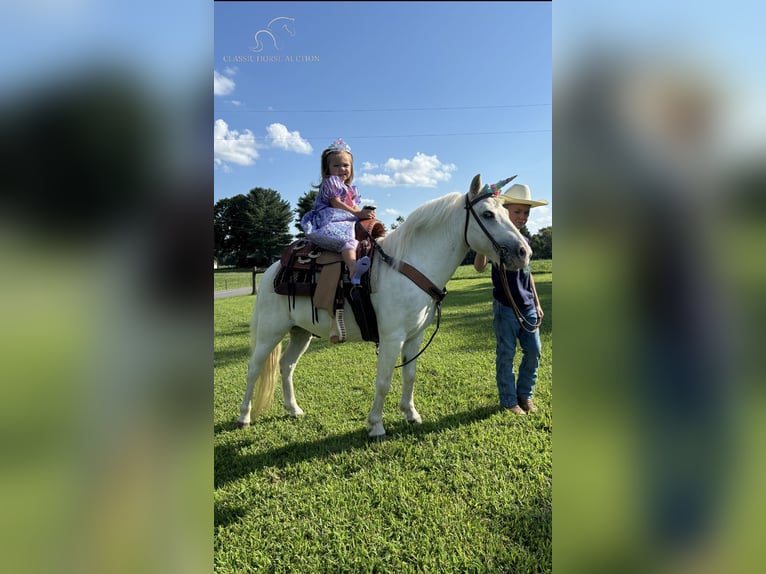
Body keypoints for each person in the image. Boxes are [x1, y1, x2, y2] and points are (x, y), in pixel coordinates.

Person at [474, 183, 547, 415]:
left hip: (528, 307)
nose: (523, 217)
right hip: (506, 307)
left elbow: (528, 274)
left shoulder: (523, 241)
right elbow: (478, 267)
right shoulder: (496, 241)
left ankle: (525, 395)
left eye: (526, 212)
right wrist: (482, 244)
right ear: (505, 211)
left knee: (534, 351)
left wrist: (537, 302)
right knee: (506, 354)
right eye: (517, 211)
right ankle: (509, 400)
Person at [300, 138, 374, 284]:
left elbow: (354, 207)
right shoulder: (330, 183)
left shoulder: (351, 190)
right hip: (331, 219)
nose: (342, 169)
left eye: (346, 165)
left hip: (347, 219)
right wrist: (357, 214)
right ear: (328, 169)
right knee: (347, 241)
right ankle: (353, 268)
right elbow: (336, 202)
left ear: (352, 168)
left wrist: (364, 214)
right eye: (336, 165)